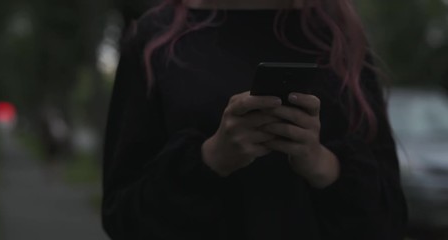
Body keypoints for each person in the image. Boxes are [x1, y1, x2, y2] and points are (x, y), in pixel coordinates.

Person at [102, 0, 408, 239]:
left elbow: (389, 222)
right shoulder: (155, 39)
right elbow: (122, 217)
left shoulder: (340, 37)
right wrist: (212, 158)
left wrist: (321, 163)